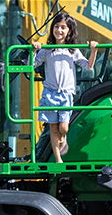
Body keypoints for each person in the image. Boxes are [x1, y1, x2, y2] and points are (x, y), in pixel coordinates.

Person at [31, 12, 99, 163]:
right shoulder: (47, 49)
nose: (59, 30)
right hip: (49, 93)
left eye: (63, 27)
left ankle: (64, 139)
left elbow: (88, 66)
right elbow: (32, 66)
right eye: (56, 27)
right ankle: (58, 159)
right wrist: (34, 51)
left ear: (69, 31)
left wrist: (93, 50)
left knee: (63, 128)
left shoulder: (72, 50)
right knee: (53, 129)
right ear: (52, 29)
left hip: (66, 94)